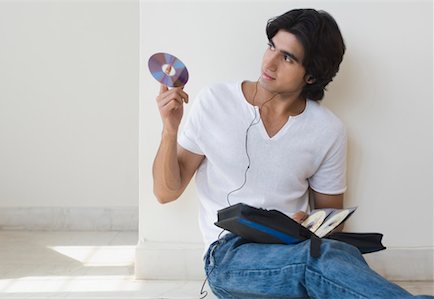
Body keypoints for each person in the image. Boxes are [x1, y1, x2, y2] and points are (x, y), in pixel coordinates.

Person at [152, 8, 433, 299]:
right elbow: (165, 192)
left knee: (334, 253)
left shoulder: (327, 130)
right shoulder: (215, 102)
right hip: (230, 256)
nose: (269, 62)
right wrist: (169, 130)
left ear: (310, 75)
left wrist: (310, 224)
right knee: (314, 263)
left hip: (293, 246)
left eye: (287, 57)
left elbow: (331, 219)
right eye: (272, 47)